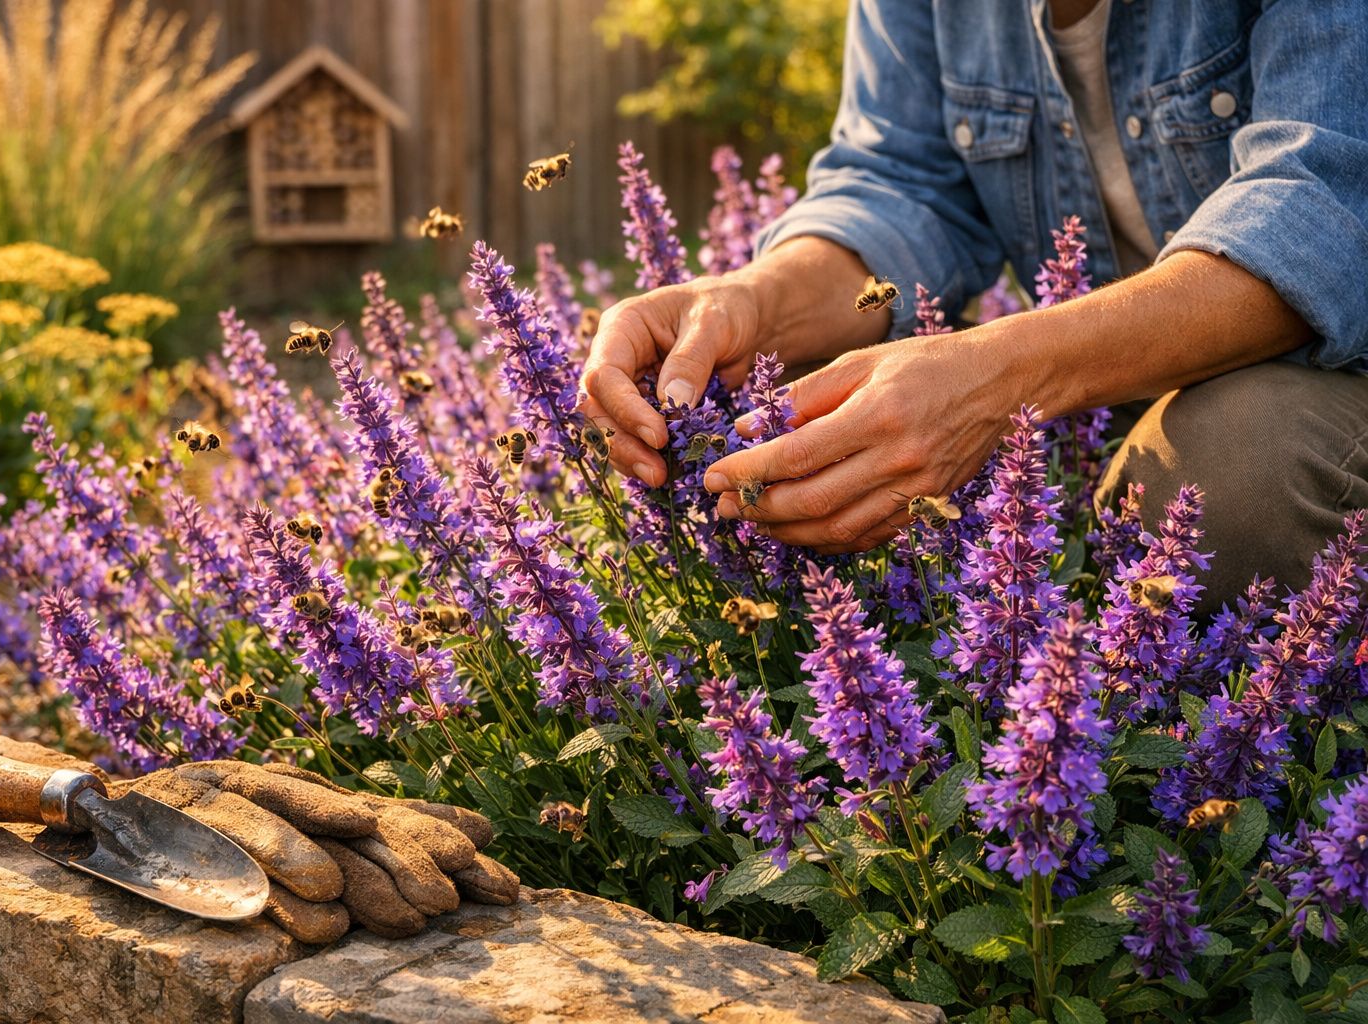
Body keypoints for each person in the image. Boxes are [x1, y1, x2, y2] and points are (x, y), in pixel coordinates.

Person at [579, 0, 1368, 611]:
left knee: (1222, 477)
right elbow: (903, 181)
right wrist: (752, 303)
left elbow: (1325, 211)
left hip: (1337, 369)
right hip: (1099, 393)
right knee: (793, 410)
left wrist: (1001, 378)